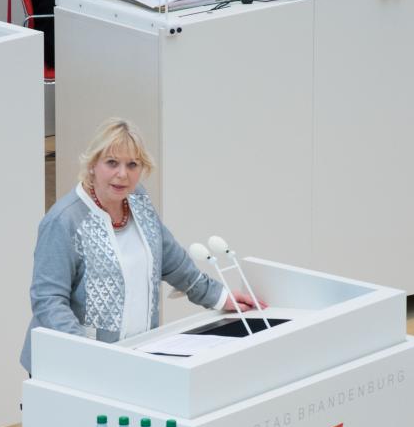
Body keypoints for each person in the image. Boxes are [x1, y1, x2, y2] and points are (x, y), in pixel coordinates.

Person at [20, 118, 264, 373]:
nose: (122, 174)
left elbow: (171, 260)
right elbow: (48, 300)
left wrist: (219, 296)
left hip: (133, 357)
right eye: (112, 162)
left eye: (132, 164)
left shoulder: (137, 198)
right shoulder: (63, 221)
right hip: (71, 366)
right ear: (92, 164)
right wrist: (87, 356)